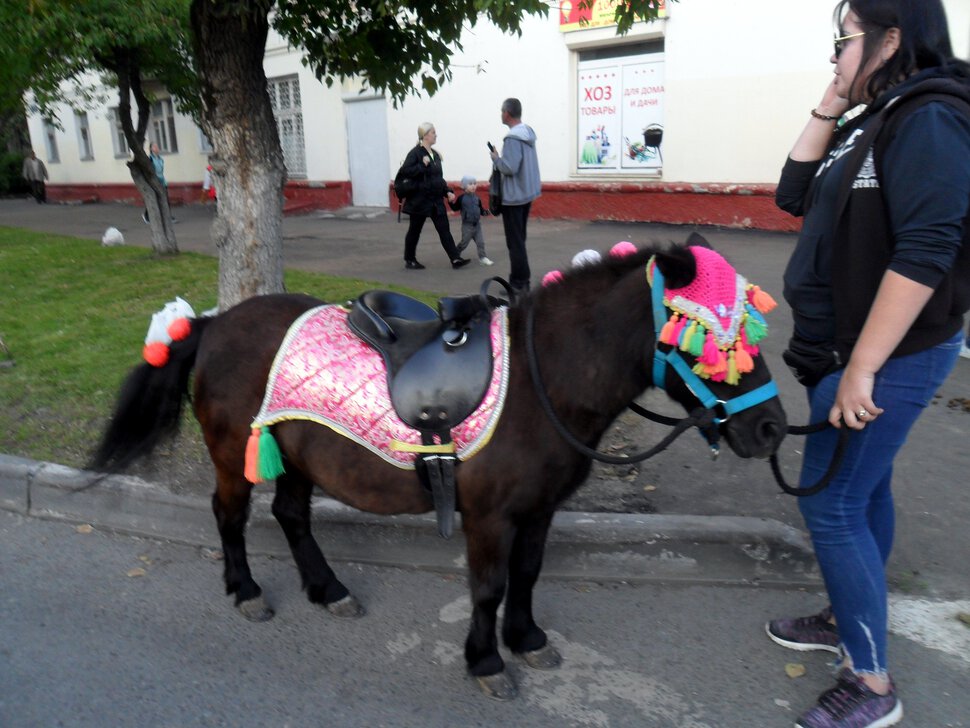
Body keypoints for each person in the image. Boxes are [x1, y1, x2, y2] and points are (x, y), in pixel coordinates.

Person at [767, 1, 970, 726]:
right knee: (865, 487)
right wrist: (832, 96)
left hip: (890, 356)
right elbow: (792, 193)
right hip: (846, 351)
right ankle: (848, 613)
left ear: (892, 38)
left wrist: (861, 370)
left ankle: (872, 685)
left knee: (832, 501)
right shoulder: (872, 119)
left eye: (842, 41)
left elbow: (926, 251)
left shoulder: (931, 119)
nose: (832, 54)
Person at [399, 123, 469, 270]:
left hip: (436, 200)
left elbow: (438, 178)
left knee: (444, 229)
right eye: (433, 132)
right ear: (425, 135)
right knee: (414, 230)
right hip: (420, 200)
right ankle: (410, 259)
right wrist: (421, 166)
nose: (435, 135)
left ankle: (455, 258)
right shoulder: (416, 153)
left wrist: (448, 191)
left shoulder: (435, 155)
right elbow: (406, 171)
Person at [489, 98, 540, 292]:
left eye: (502, 111)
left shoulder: (512, 138)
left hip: (513, 198)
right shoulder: (528, 133)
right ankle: (520, 281)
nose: (501, 114)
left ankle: (519, 284)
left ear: (507, 113)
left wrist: (496, 159)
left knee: (515, 242)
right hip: (526, 194)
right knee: (519, 240)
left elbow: (509, 167)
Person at [449, 175, 493, 266]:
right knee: (463, 243)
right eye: (470, 184)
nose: (473, 186)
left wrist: (488, 212)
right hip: (467, 226)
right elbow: (455, 208)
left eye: (474, 183)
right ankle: (455, 256)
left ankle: (483, 258)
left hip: (477, 226)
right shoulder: (461, 198)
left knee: (480, 242)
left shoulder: (477, 198)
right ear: (464, 186)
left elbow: (481, 211)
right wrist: (450, 201)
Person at [142, 142, 176, 224]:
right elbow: (148, 171)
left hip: (162, 181)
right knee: (154, 199)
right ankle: (146, 215)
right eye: (155, 147)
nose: (157, 148)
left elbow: (161, 170)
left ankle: (168, 216)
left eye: (157, 146)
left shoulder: (160, 159)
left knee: (165, 199)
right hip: (154, 182)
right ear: (151, 149)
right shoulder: (150, 159)